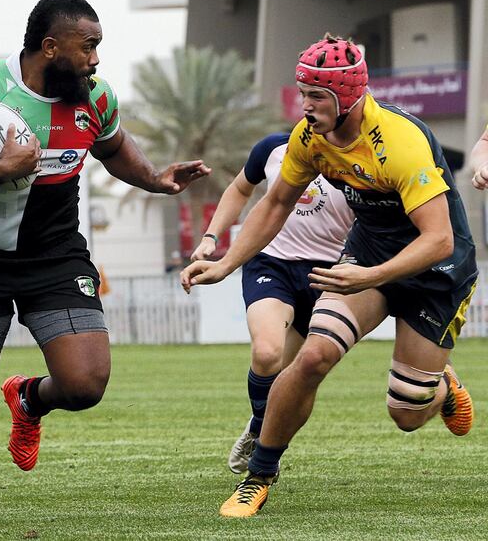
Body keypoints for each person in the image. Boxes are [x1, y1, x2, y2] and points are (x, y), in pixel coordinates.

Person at [0, 0, 211, 531]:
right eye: (88, 47)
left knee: (85, 385)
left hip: (55, 256)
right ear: (50, 47)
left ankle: (29, 399)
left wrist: (154, 178)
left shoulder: (94, 96)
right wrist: (2, 167)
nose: (96, 59)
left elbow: (113, 146)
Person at [181, 34, 477, 518]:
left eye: (317, 96)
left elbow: (438, 240)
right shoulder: (309, 138)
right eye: (303, 93)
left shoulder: (400, 143)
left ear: (349, 98)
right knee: (313, 355)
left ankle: (441, 388)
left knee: (405, 413)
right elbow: (274, 202)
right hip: (369, 256)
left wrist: (371, 276)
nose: (306, 106)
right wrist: (226, 262)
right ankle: (259, 476)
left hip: (437, 269)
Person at [191, 132, 353, 475]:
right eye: (308, 98)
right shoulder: (274, 148)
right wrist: (210, 238)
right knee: (266, 353)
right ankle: (265, 443)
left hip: (329, 274)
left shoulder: (361, 157)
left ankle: (258, 427)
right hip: (271, 263)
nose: (312, 108)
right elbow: (239, 189)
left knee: (292, 382)